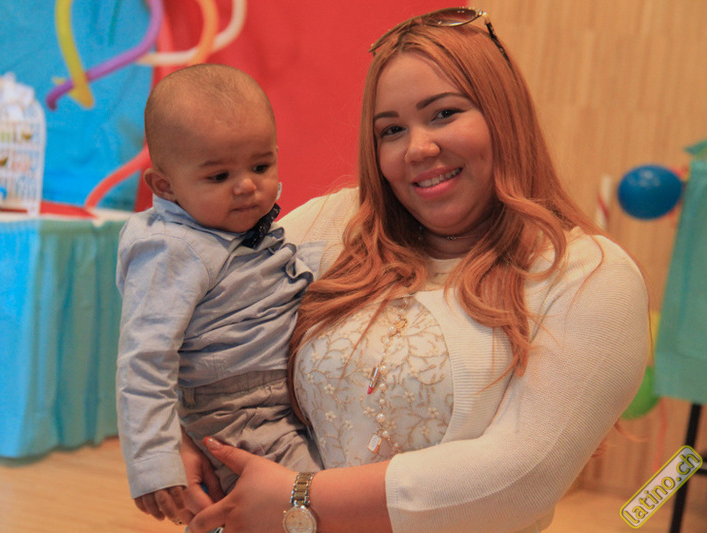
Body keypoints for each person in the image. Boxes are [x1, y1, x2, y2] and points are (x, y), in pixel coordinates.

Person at [178, 7, 650, 533]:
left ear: (504, 114)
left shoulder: (588, 276)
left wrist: (300, 498)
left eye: (444, 113)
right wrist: (176, 434)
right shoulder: (329, 226)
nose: (418, 148)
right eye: (392, 130)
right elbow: (196, 311)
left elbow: (523, 479)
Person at [115, 63, 322, 525]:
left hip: (286, 397)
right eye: (219, 176)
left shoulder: (232, 228)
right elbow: (144, 359)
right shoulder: (172, 249)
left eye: (261, 166)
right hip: (240, 414)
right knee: (310, 509)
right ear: (165, 186)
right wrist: (155, 461)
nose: (247, 185)